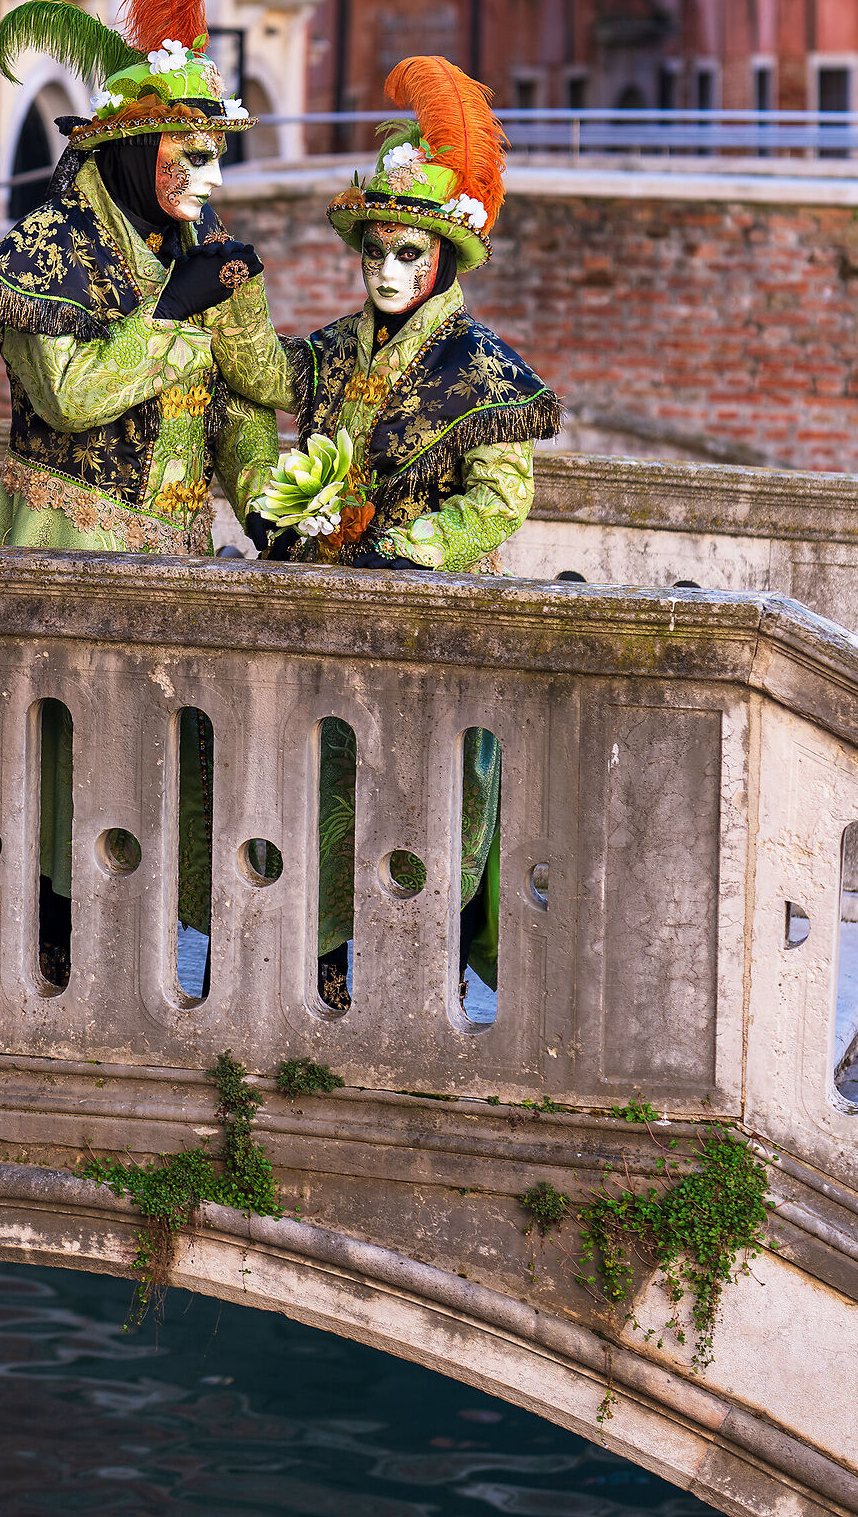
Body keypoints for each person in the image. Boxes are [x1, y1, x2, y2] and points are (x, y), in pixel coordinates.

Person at [0, 0, 282, 981]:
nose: (210, 176)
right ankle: (51, 948)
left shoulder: (185, 250)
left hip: (177, 556)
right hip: (69, 541)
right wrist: (175, 314)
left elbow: (249, 399)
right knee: (61, 761)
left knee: (155, 767)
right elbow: (68, 396)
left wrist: (277, 497)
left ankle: (131, 942)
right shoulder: (44, 252)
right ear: (131, 154)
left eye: (217, 156)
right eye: (193, 155)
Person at [206, 55, 559, 1006]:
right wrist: (227, 280)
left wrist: (408, 548)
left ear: (442, 258)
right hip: (335, 608)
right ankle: (319, 958)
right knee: (322, 790)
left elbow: (498, 500)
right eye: (376, 253)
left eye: (409, 254)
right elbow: (269, 377)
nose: (390, 271)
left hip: (434, 617)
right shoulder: (340, 345)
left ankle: (415, 978)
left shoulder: (482, 371)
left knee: (430, 801)